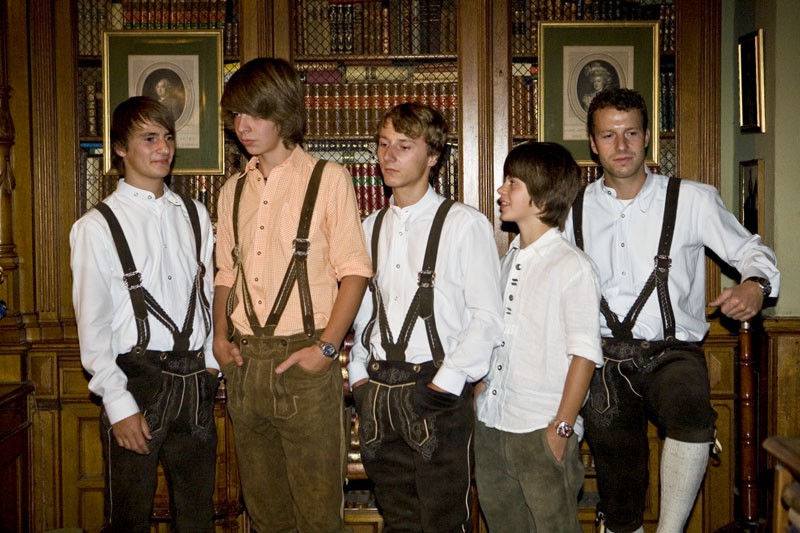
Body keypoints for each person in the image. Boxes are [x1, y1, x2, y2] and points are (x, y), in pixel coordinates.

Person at [564, 88, 780, 533]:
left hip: (672, 353)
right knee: (620, 493)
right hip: (600, 359)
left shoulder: (693, 199)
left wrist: (755, 286)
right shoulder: (572, 208)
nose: (621, 145)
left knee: (691, 412)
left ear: (647, 138)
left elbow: (751, 251)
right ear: (593, 143)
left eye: (630, 133)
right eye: (608, 135)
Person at [213, 57, 372, 532]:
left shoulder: (329, 179)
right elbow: (226, 273)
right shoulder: (232, 190)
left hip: (304, 360)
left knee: (318, 516)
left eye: (255, 114)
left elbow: (355, 271)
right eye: (236, 115)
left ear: (283, 112)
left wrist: (327, 349)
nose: (243, 126)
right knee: (265, 516)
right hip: (245, 363)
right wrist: (219, 338)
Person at [349, 102, 504, 533]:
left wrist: (446, 383)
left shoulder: (464, 224)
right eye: (383, 144)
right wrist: (359, 376)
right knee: (399, 521)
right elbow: (364, 314)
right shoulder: (369, 227)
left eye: (404, 145)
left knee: (444, 522)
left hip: (435, 390)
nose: (389, 155)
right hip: (378, 391)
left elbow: (488, 317)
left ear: (433, 155)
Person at [70, 96, 218, 532]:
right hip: (136, 381)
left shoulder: (196, 215)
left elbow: (208, 297)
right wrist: (117, 403)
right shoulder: (97, 226)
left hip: (196, 383)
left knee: (197, 518)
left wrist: (211, 367)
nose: (163, 148)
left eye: (168, 137)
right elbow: (93, 325)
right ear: (120, 147)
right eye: (149, 138)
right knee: (128, 518)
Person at [474, 141, 604, 532]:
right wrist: (481, 390)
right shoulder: (508, 260)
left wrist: (561, 428)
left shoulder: (572, 266)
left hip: (540, 430)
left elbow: (585, 355)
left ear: (542, 198)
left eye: (512, 183)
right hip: (493, 424)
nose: (501, 190)